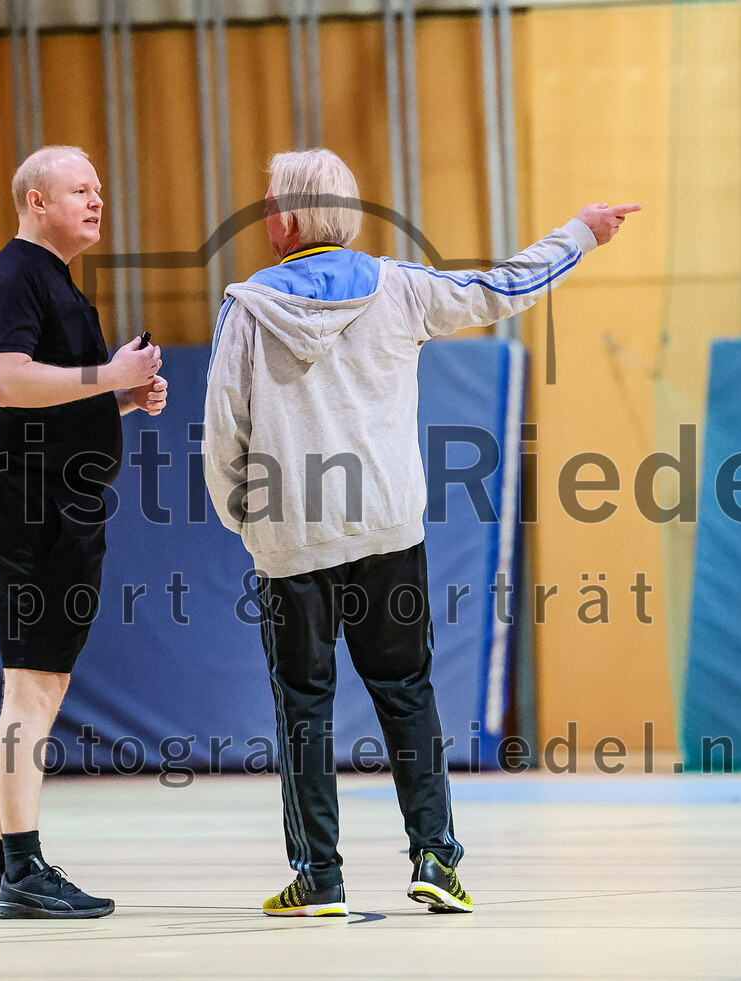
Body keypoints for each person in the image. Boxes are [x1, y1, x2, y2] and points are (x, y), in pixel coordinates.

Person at [203, 147, 638, 916]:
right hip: (387, 534)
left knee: (303, 704)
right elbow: (502, 288)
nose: (265, 212)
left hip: (291, 540)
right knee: (406, 694)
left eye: (271, 200)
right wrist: (578, 233)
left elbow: (222, 435)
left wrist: (249, 523)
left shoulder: (247, 309)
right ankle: (436, 858)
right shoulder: (400, 289)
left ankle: (320, 878)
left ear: (295, 215)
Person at [0, 145, 168, 919]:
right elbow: (6, 381)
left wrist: (119, 399)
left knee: (35, 688)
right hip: (31, 501)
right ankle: (22, 867)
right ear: (36, 200)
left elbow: (47, 397)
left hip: (56, 497)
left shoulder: (54, 282)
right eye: (80, 188)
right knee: (33, 688)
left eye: (100, 188)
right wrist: (108, 378)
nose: (97, 199)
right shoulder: (15, 274)